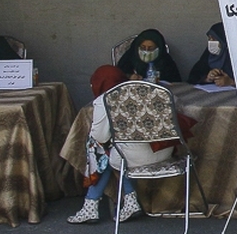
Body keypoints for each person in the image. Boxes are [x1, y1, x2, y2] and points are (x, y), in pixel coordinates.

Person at [67, 65, 164, 224]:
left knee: (100, 147)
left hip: (131, 158)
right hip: (165, 151)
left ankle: (91, 204)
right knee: (117, 149)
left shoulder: (105, 100)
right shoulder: (147, 92)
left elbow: (100, 136)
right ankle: (130, 200)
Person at [116, 28, 182, 82]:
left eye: (151, 48)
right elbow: (118, 76)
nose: (146, 51)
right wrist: (129, 76)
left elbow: (176, 83)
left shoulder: (166, 62)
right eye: (143, 47)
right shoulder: (130, 57)